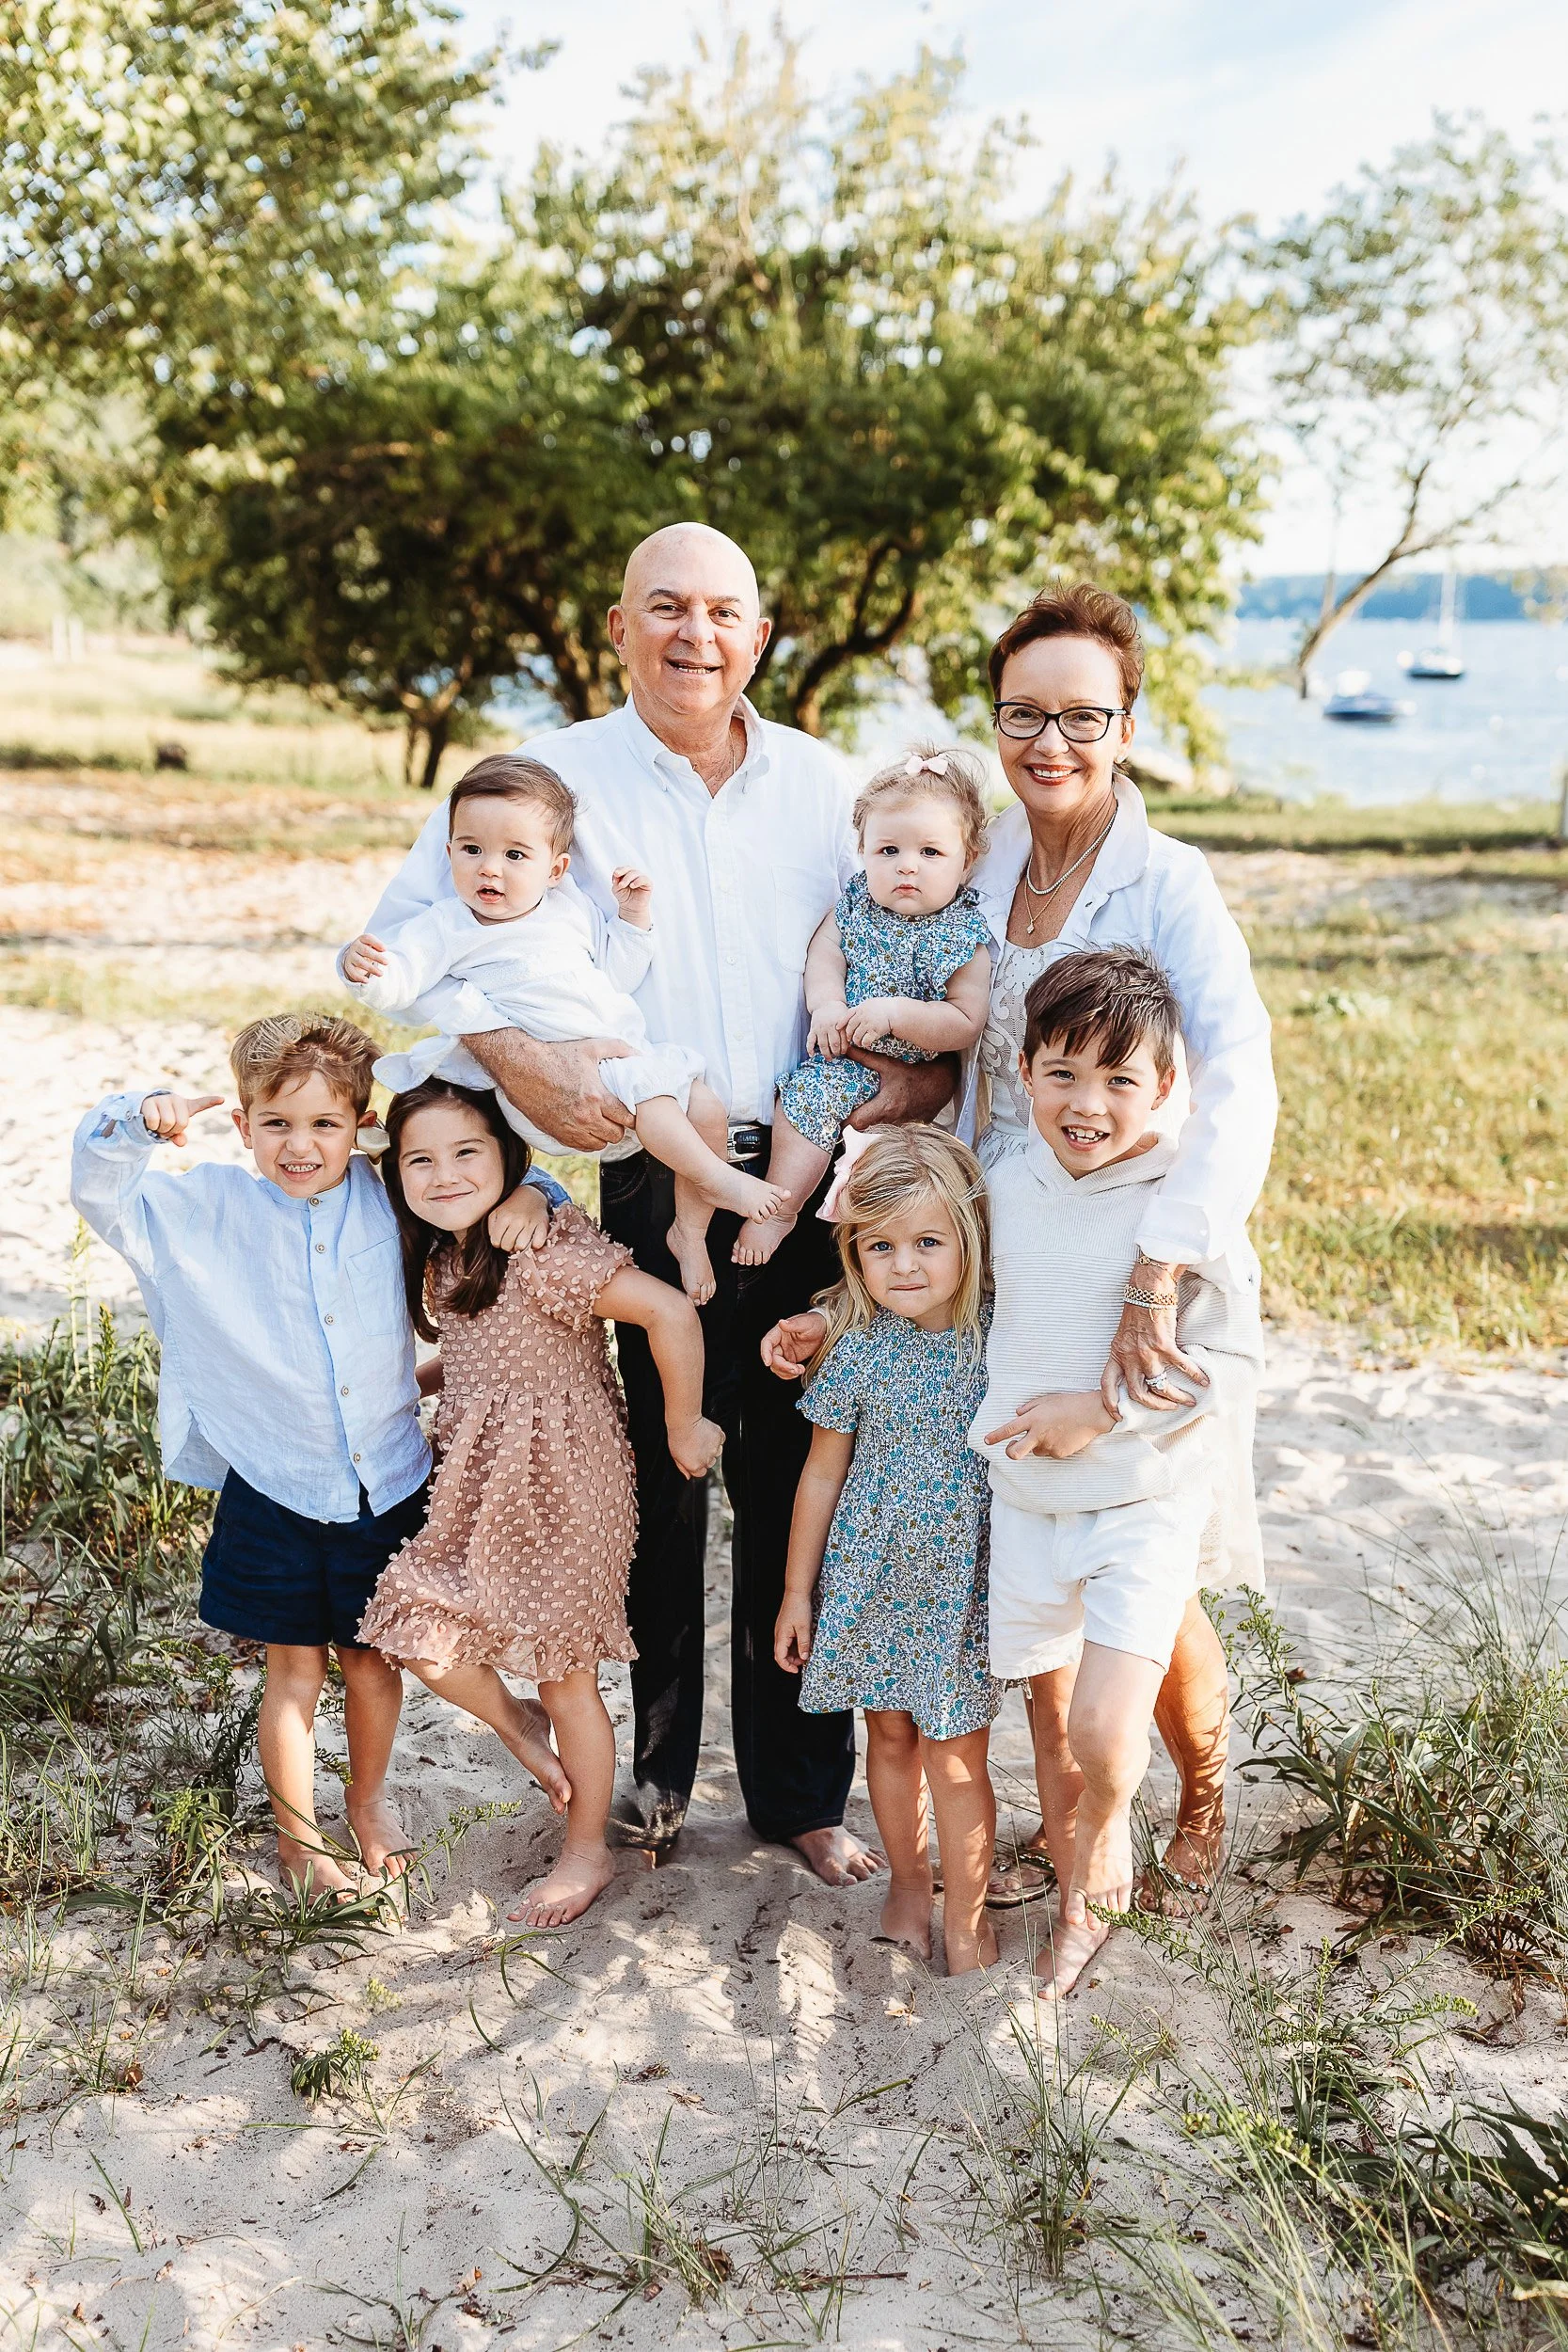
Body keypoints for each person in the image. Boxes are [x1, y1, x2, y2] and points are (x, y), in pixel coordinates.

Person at [355, 522, 951, 1884]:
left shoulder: (820, 787)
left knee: (801, 1465)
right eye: (664, 608)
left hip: (805, 1166)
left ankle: (803, 1795)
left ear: (759, 633)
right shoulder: (545, 776)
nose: (695, 633)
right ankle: (657, 1778)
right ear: (618, 625)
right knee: (654, 1487)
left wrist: (903, 1094)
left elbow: (903, 940)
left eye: (722, 611)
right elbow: (411, 949)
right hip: (632, 1162)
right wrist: (520, 1069)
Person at [766, 581, 1275, 1905]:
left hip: (1138, 1248)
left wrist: (1159, 1273)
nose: (1048, 740)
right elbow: (947, 1050)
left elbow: (1238, 1078)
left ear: (1125, 721)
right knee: (1032, 1541)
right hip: (1002, 1249)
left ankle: (1202, 1791)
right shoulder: (978, 862)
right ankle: (1067, 1815)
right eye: (1022, 713)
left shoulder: (1166, 883)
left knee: (1148, 1551)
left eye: (1079, 716)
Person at [67, 1014, 559, 1899]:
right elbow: (101, 1190)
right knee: (294, 1670)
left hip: (388, 1473)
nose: (301, 1147)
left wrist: (539, 1195)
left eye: (326, 1125)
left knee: (374, 1659)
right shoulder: (201, 1207)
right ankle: (299, 1843)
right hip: (274, 1479)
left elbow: (477, 1176)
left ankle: (368, 1802)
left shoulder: (387, 1193)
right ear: (241, 1123)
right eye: (278, 1124)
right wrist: (142, 1115)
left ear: (361, 1126)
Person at [357, 1081, 722, 1927]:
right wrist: (420, 1385)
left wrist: (685, 1422)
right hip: (481, 1481)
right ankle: (518, 1727)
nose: (444, 1174)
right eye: (420, 1159)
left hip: (568, 1483)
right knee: (412, 1624)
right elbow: (486, 1350)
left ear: (508, 1157)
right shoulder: (447, 1253)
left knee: (567, 1676)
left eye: (467, 1153)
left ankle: (586, 1848)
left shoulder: (543, 1243)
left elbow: (667, 1312)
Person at [972, 949, 1263, 1994]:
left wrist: (1098, 1411)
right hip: (1027, 1496)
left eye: (1117, 1080)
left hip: (1141, 1491)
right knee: (1053, 1718)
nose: (1085, 1105)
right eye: (1060, 1074)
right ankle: (1083, 1875)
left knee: (1103, 1725)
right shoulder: (1006, 1174)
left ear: (1166, 1086)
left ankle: (1187, 1810)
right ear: (1021, 1070)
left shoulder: (1183, 1207)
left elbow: (1225, 1364)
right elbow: (942, 1279)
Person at [341, 756, 786, 1306]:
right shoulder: (448, 926)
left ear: (555, 869)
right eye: (471, 849)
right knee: (657, 1106)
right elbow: (401, 981)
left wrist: (633, 916)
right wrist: (364, 970)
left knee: (707, 1108)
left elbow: (617, 973)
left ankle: (689, 1233)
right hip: (551, 1083)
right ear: (449, 851)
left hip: (620, 1059)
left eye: (514, 855)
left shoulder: (568, 908)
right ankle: (720, 1181)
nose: (490, 869)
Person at [774, 1129, 1001, 1976]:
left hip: (959, 1586)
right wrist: (799, 1594)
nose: (904, 1265)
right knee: (891, 1738)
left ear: (967, 1238)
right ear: (854, 1252)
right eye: (880, 1247)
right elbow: (820, 1475)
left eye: (926, 1243)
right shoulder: (859, 1344)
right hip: (870, 1575)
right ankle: (909, 1885)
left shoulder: (994, 1341)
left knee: (955, 1751)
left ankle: (968, 1911)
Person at [732, 749, 992, 1267]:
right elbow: (824, 955)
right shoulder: (855, 904)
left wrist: (897, 1014)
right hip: (844, 1056)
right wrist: (826, 1007)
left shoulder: (965, 934)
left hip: (912, 1083)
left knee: (893, 1183)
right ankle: (786, 1203)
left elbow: (966, 1021)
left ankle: (801, 1220)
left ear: (969, 859)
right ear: (863, 851)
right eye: (888, 850)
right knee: (803, 1104)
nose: (907, 867)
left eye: (931, 853)